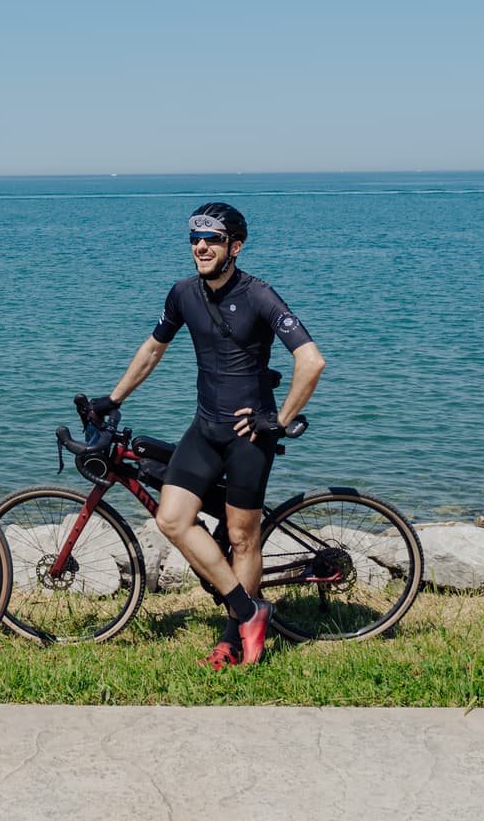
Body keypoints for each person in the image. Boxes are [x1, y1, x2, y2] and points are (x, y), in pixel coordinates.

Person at [94, 202, 324, 668]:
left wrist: (277, 420)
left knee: (243, 538)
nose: (201, 246)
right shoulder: (183, 294)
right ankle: (248, 610)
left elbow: (311, 360)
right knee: (172, 519)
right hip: (204, 427)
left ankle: (233, 639)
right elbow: (152, 350)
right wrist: (113, 400)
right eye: (196, 239)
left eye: (213, 239)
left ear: (234, 247)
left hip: (248, 436)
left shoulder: (260, 296)